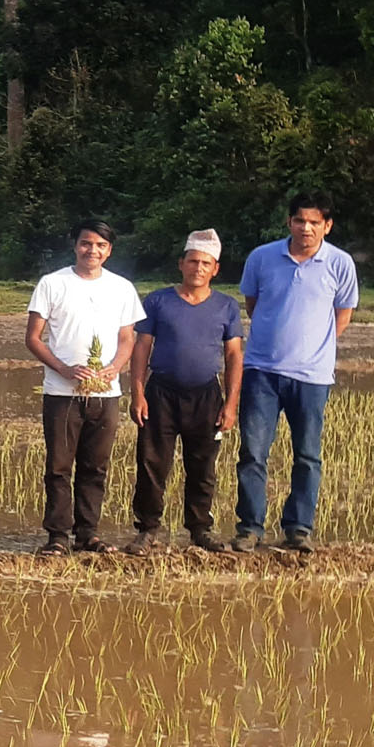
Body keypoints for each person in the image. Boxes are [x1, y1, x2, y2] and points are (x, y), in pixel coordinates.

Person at [233, 193, 359, 553]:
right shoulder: (262, 257)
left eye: (315, 222)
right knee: (253, 452)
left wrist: (316, 347)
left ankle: (298, 528)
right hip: (262, 372)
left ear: (327, 226)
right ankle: (250, 527)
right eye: (300, 220)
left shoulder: (340, 263)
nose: (306, 228)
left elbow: (343, 313)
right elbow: (254, 305)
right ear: (289, 222)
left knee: (307, 455)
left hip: (313, 377)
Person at [25, 220, 146, 555]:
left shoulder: (122, 288)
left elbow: (127, 338)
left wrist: (115, 368)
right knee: (59, 466)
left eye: (100, 246)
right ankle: (58, 536)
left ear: (109, 250)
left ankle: (88, 533)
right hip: (62, 394)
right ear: (75, 245)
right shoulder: (53, 284)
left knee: (95, 466)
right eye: (86, 244)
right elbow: (33, 338)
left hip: (105, 395)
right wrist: (64, 368)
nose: (92, 251)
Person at [128, 229, 243, 553]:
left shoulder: (226, 306)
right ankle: (147, 529)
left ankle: (199, 530)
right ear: (181, 264)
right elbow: (141, 349)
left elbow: (233, 355)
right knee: (152, 464)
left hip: (206, 396)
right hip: (161, 394)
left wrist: (231, 403)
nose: (198, 268)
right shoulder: (158, 300)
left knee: (203, 466)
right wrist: (137, 393)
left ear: (215, 268)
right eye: (192, 261)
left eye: (206, 263)